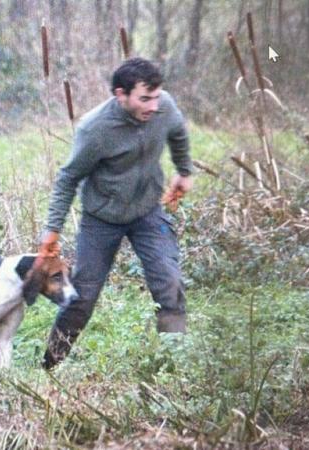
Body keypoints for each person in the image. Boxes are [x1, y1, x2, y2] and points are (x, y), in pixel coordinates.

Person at [39, 57, 193, 370]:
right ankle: (50, 366)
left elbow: (178, 132)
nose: (153, 106)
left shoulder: (164, 107)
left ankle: (174, 368)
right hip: (101, 220)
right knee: (81, 297)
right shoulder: (95, 129)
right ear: (120, 95)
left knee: (170, 283)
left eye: (156, 96)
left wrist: (184, 169)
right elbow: (68, 178)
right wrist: (52, 229)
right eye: (144, 98)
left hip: (148, 212)